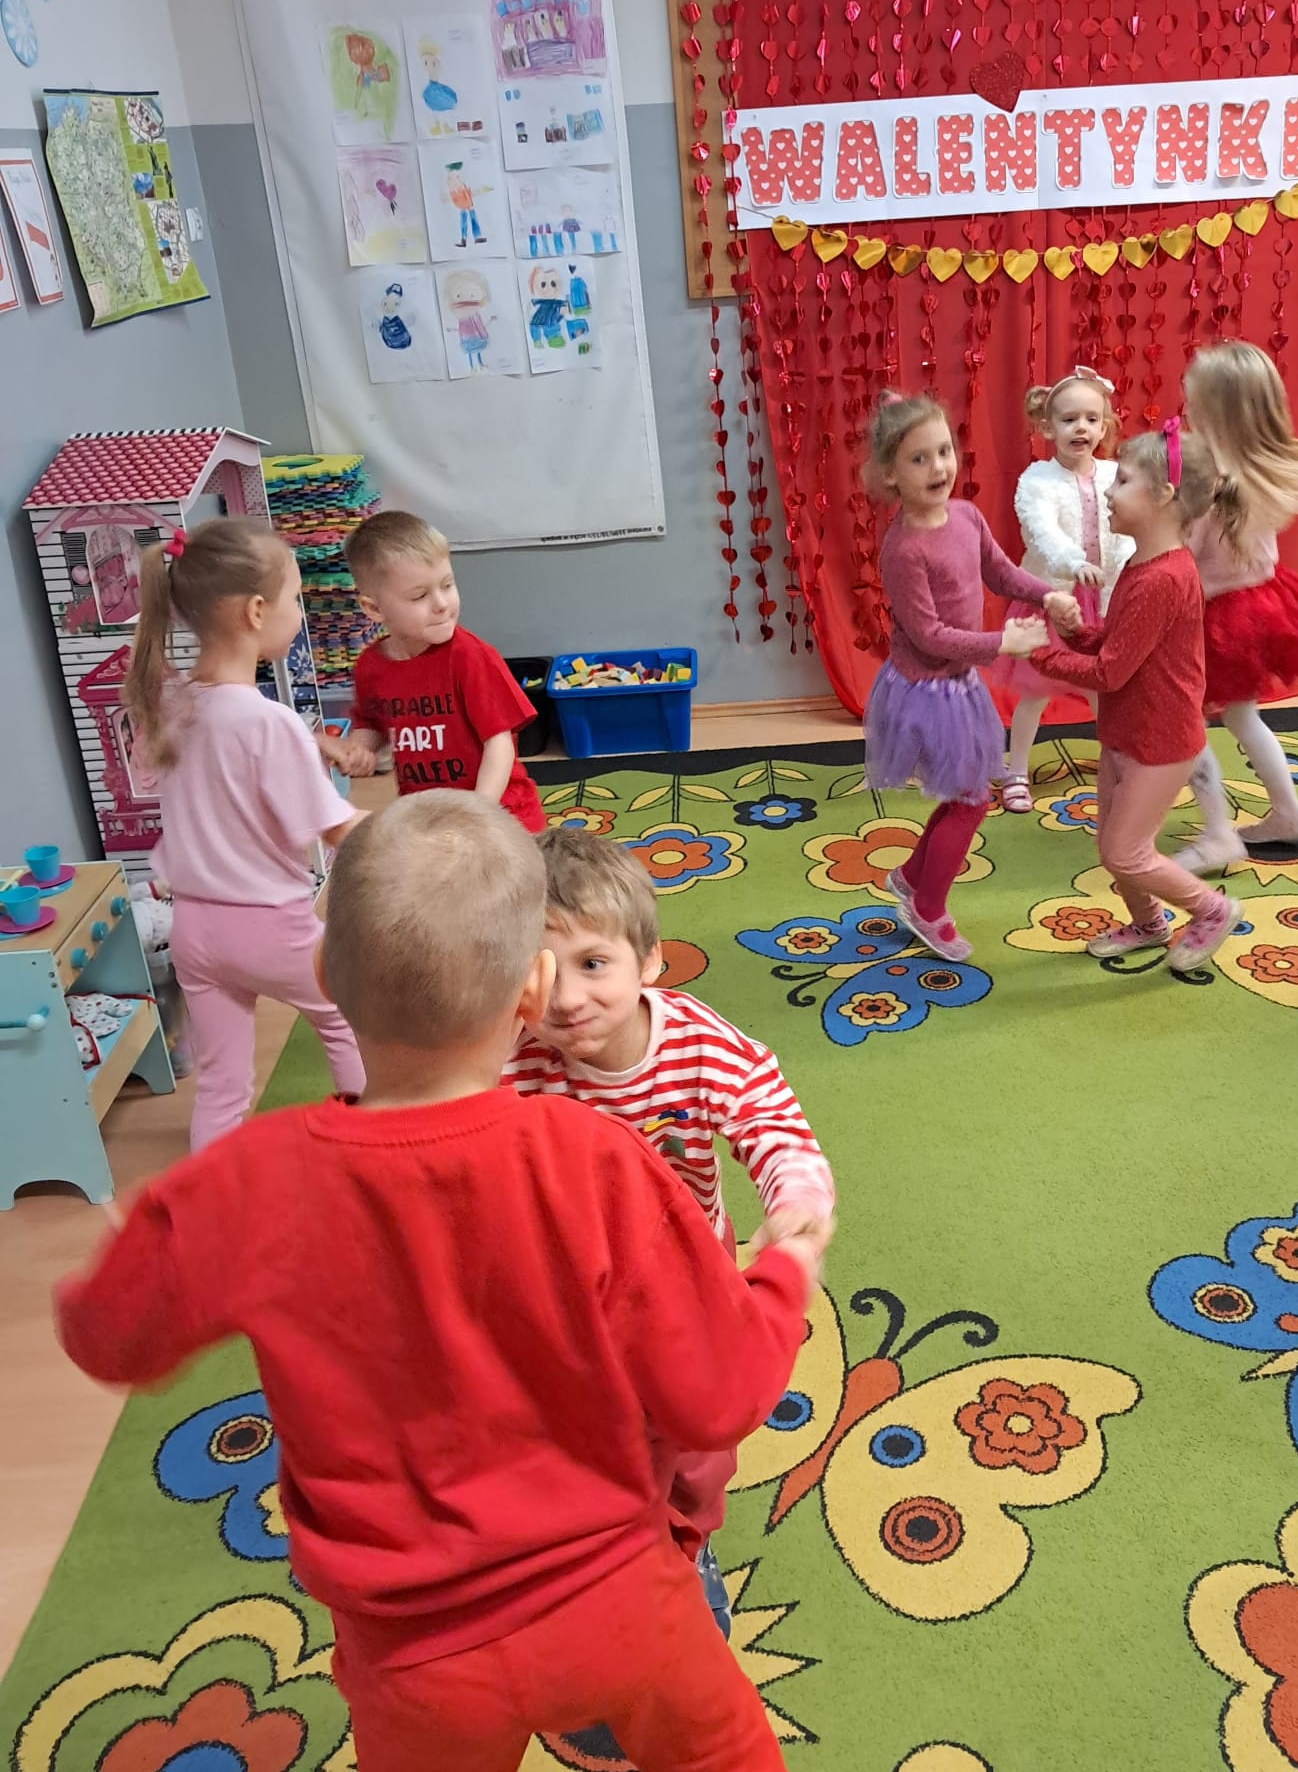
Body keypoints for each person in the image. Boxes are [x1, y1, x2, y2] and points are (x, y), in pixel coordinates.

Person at [54, 793, 824, 1772]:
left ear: (325, 974)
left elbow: (106, 1337)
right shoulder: (599, 1161)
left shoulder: (248, 1182)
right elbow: (720, 1395)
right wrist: (784, 1270)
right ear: (532, 988)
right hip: (625, 1605)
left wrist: (158, 1231)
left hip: (415, 1659)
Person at [504, 827, 835, 1635]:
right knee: (577, 1431)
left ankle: (687, 1539)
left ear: (648, 960)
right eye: (540, 970)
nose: (567, 1000)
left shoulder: (696, 1044)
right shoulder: (511, 1057)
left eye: (593, 964)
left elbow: (769, 1117)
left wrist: (795, 1199)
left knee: (696, 1431)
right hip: (564, 1285)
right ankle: (597, 1541)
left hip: (689, 1271)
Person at [121, 518, 364, 1151]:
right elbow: (338, 830)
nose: (299, 615)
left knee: (223, 1085)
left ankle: (210, 1189)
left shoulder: (173, 702)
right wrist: (426, 829)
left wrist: (306, 743)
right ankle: (370, 1136)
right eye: (296, 600)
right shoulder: (267, 722)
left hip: (195, 929)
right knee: (347, 1016)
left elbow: (222, 750)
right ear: (256, 612)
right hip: (269, 926)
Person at [1008, 421, 1246, 973]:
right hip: (1129, 730)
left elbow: (1110, 672)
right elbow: (1120, 645)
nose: (1108, 493)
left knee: (1126, 851)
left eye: (1122, 482)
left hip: (1160, 742)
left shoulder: (1164, 577)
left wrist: (1040, 654)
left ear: (1163, 496)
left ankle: (1212, 910)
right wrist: (1074, 633)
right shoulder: (1142, 563)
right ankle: (1149, 924)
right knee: (1112, 844)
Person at [862, 390, 1054, 961]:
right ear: (891, 474)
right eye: (919, 458)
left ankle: (910, 878)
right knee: (971, 799)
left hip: (960, 684)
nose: (938, 467)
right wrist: (1003, 643)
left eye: (943, 451)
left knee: (965, 791)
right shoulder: (903, 550)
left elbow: (1001, 572)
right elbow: (930, 636)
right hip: (924, 691)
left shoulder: (967, 516)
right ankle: (928, 906)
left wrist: (1050, 595)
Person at [1170, 341, 1298, 872]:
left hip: (1214, 618)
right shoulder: (1261, 469)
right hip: (1261, 606)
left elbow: (1181, 555)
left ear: (1216, 412)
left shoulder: (1210, 483)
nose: (1186, 408)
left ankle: (1218, 833)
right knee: (1243, 716)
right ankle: (1288, 814)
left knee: (1182, 721)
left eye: (1193, 402)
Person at [335, 510, 546, 831]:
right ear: (374, 608)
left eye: (447, 585)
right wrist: (360, 748)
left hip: (500, 817)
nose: (441, 604)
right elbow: (374, 723)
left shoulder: (469, 656)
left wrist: (479, 812)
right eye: (420, 595)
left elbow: (499, 743)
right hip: (429, 820)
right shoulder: (370, 667)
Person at [997, 366, 1133, 813]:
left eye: (1092, 419)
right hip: (1053, 600)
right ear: (1047, 428)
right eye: (1070, 419)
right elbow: (1041, 533)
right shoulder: (1037, 480)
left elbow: (1130, 528)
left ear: (1104, 426)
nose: (1082, 428)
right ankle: (1017, 770)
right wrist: (1074, 563)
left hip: (1103, 603)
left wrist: (1131, 570)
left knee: (1103, 694)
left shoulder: (1115, 473)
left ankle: (1118, 768)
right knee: (1035, 693)